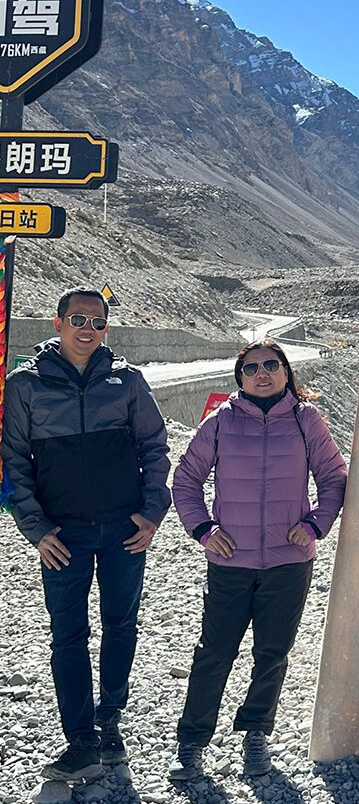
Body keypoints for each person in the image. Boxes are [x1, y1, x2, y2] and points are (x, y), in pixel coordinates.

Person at [2, 287, 170, 781]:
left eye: (97, 322)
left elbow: (155, 447)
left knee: (122, 627)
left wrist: (152, 512)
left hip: (125, 530)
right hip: (62, 535)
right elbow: (11, 463)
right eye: (78, 319)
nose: (87, 329)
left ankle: (109, 721)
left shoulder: (128, 382)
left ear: (106, 330)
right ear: (57, 324)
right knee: (68, 637)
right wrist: (35, 528)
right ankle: (80, 741)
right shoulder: (24, 386)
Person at [168, 339, 347, 780]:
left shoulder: (307, 422)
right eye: (251, 368)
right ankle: (192, 742)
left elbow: (334, 478)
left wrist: (314, 525)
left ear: (286, 372)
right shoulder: (220, 422)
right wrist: (204, 530)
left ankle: (256, 735)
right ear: (239, 377)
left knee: (272, 653)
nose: (262, 373)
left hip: (289, 562)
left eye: (271, 365)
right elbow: (186, 479)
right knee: (215, 652)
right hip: (231, 561)